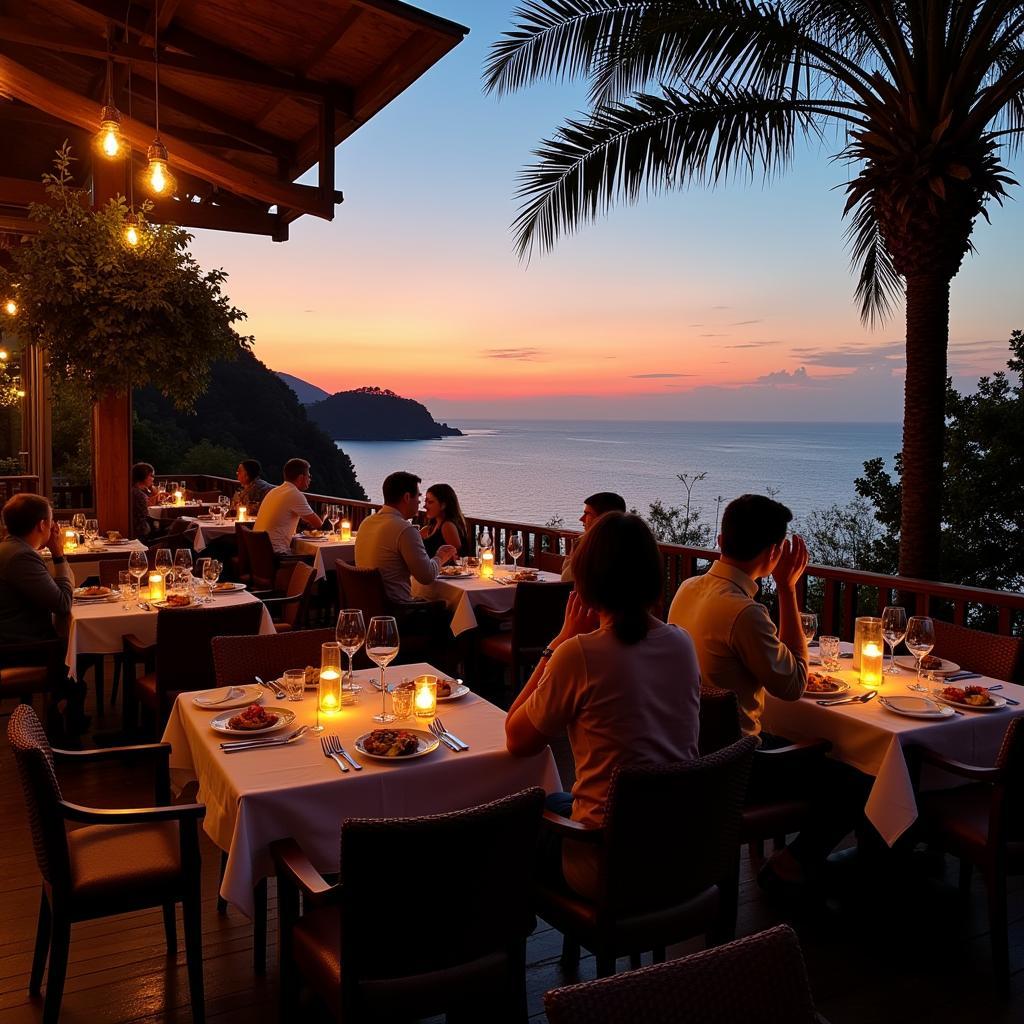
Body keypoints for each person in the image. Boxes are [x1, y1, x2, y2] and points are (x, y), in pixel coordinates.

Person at [668, 494, 860, 892]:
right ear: (774, 553)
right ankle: (796, 862)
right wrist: (788, 590)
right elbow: (793, 685)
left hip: (692, 752)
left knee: (820, 748)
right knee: (855, 775)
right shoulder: (743, 612)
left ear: (720, 541)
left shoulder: (688, 588)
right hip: (739, 765)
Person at [505, 512, 701, 899]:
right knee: (558, 799)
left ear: (586, 581)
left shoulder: (580, 654)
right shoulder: (682, 644)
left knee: (510, 820)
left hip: (605, 861)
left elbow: (516, 737)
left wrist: (558, 642)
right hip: (677, 849)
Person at [0, 493, 86, 738]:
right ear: (42, 525)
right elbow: (62, 602)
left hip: (14, 638)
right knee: (79, 654)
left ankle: (63, 706)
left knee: (82, 653)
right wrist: (58, 553)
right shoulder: (21, 557)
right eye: (51, 521)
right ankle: (66, 733)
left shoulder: (10, 548)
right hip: (18, 648)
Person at [355, 471, 457, 603]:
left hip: (367, 606)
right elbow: (426, 577)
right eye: (418, 497)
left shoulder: (366, 523)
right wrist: (440, 556)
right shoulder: (404, 529)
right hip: (397, 612)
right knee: (448, 606)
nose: (420, 502)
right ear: (407, 497)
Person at [253, 458, 323, 554]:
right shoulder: (295, 494)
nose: (310, 479)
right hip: (276, 555)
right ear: (301, 478)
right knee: (313, 561)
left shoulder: (274, 491)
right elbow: (318, 523)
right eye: (309, 476)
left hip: (257, 552)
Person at [562, 491, 627, 582]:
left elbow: (567, 580)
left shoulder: (598, 548)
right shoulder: (635, 544)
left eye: (587, 514)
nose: (581, 519)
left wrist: (579, 545)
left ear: (603, 518)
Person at [420, 483, 467, 557]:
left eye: (430, 502)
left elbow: (458, 558)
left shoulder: (447, 526)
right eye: (425, 501)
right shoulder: (430, 528)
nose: (425, 506)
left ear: (443, 505)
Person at [130, 461, 156, 541]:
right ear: (143, 476)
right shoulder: (139, 495)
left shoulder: (132, 491)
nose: (153, 479)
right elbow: (144, 516)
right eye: (151, 475)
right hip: (140, 533)